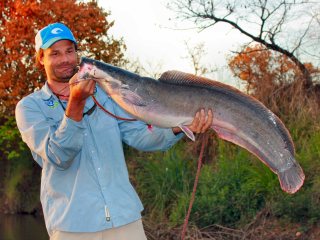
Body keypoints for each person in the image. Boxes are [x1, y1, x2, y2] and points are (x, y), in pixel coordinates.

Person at [15, 22, 213, 240]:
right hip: (73, 225)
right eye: (55, 53)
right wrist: (76, 103)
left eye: (70, 51)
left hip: (124, 216)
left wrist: (179, 127)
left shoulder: (106, 94)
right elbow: (59, 155)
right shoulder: (30, 107)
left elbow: (139, 135)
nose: (65, 59)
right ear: (40, 59)